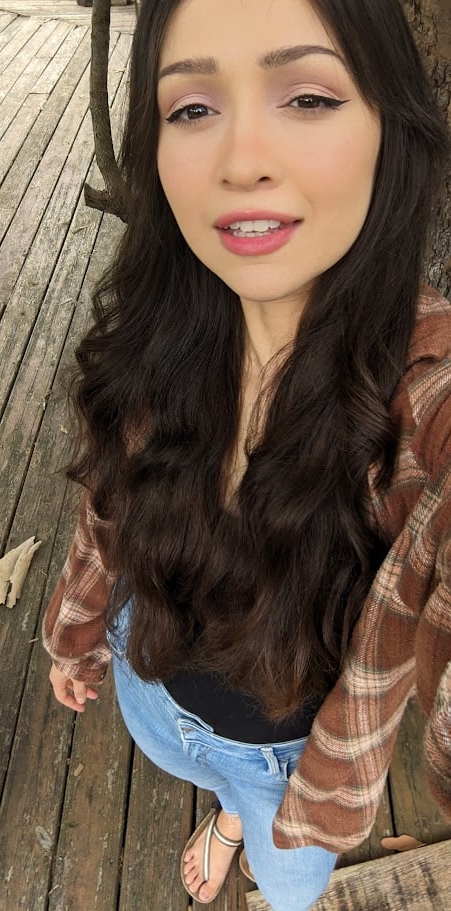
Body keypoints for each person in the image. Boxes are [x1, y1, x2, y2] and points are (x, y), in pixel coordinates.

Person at [43, 1, 451, 908]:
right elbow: (107, 512)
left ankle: (237, 818)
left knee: (287, 884)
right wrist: (74, 634)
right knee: (206, 774)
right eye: (192, 109)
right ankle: (224, 811)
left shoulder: (426, 394)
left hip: (293, 771)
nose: (238, 162)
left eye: (306, 97)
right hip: (154, 693)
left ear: (392, 125)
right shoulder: (163, 335)